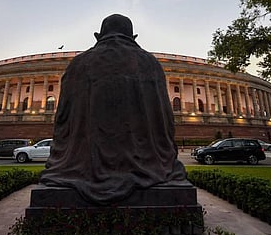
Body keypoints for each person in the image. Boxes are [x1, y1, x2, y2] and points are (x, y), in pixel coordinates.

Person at [40, 14, 187, 204]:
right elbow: (166, 119)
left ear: (97, 36)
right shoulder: (150, 64)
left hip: (81, 164)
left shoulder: (78, 64)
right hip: (146, 163)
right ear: (133, 37)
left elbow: (62, 118)